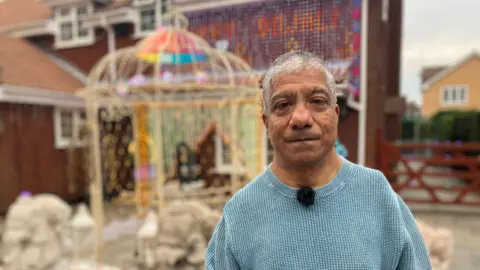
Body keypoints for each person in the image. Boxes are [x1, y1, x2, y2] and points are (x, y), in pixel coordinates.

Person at [205, 51, 432, 270]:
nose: (301, 118)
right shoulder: (241, 213)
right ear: (266, 123)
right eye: (283, 105)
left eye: (317, 101)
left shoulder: (377, 195)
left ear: (334, 114)